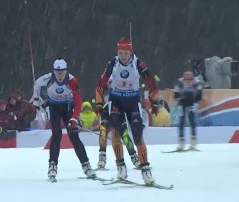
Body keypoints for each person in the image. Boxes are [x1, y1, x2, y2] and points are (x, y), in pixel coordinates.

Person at [95, 39, 159, 185]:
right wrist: (99, 103)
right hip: (116, 101)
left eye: (126, 53)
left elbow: (151, 83)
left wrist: (154, 100)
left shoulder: (138, 63)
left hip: (132, 102)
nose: (123, 56)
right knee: (116, 133)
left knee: (137, 136)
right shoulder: (113, 63)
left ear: (131, 52)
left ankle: (146, 170)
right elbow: (100, 84)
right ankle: (121, 167)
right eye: (120, 53)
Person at [32, 58, 96, 182]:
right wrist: (36, 99)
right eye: (57, 72)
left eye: (62, 72)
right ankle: (52, 166)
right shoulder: (48, 78)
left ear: (66, 71)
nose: (60, 75)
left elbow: (78, 103)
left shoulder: (72, 80)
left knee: (74, 136)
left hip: (67, 107)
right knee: (56, 135)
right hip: (53, 107)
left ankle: (86, 165)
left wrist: (73, 118)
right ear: (54, 71)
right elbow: (37, 84)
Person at [173, 71, 203, 150]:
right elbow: (175, 97)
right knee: (182, 121)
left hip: (192, 102)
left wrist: (194, 96)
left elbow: (199, 97)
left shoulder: (197, 83)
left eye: (190, 80)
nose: (188, 82)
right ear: (183, 79)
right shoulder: (179, 83)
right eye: (186, 80)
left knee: (192, 119)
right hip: (182, 102)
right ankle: (181, 142)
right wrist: (182, 96)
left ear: (193, 79)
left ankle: (193, 141)